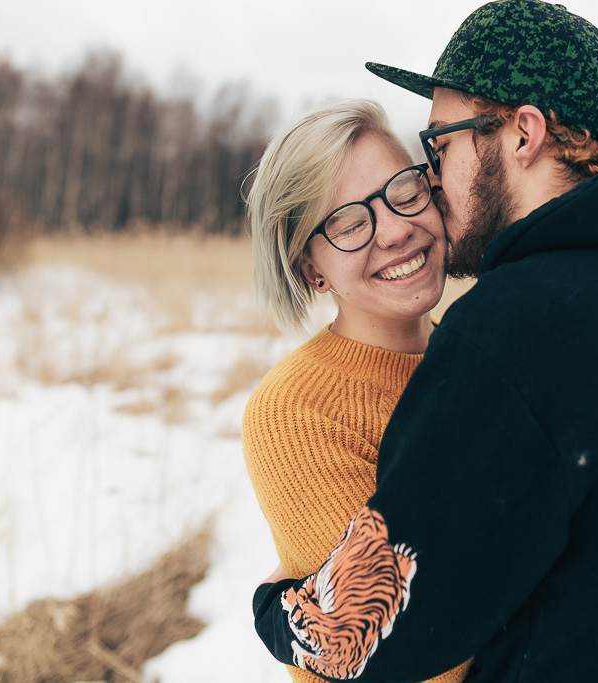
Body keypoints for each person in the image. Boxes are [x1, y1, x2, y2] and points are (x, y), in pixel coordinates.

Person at [252, 2, 598, 682]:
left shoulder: (520, 324)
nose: (434, 181)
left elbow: (377, 633)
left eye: (439, 147)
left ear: (524, 133)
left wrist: (275, 609)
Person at [241, 99, 471, 683]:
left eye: (404, 192)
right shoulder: (297, 411)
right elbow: (414, 652)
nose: (395, 230)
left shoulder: (477, 360)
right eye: (347, 224)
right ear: (309, 269)